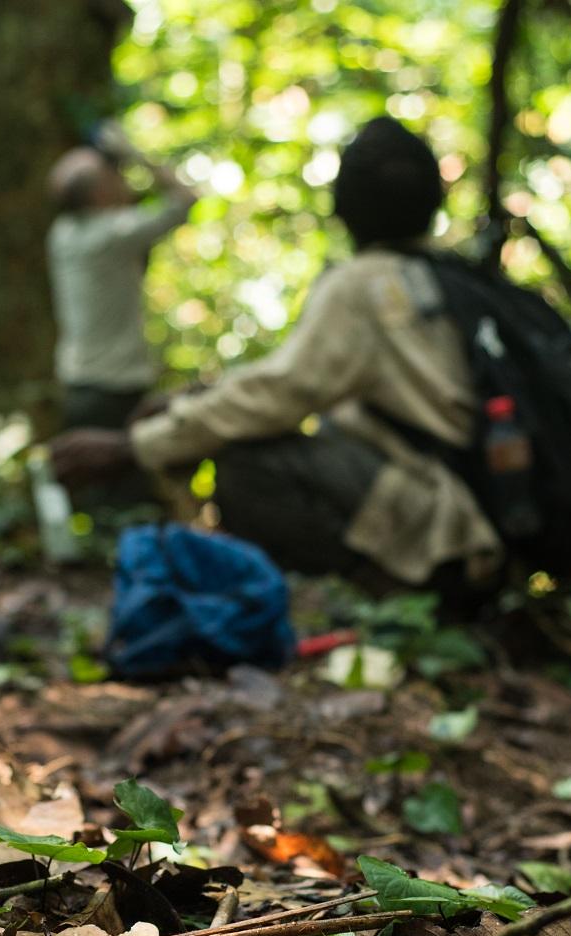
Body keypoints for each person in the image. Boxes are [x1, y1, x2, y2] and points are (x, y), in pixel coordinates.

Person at [49, 116, 501, 597]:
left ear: (344, 206)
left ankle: (369, 590)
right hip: (473, 506)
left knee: (247, 460)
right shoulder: (456, 279)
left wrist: (135, 447)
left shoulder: (362, 285)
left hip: (443, 519)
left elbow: (280, 394)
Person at [47, 121, 198, 432]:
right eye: (114, 175)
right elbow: (186, 199)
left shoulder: (61, 235)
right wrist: (135, 155)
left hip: (79, 382)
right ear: (101, 192)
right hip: (115, 389)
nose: (123, 180)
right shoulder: (113, 234)